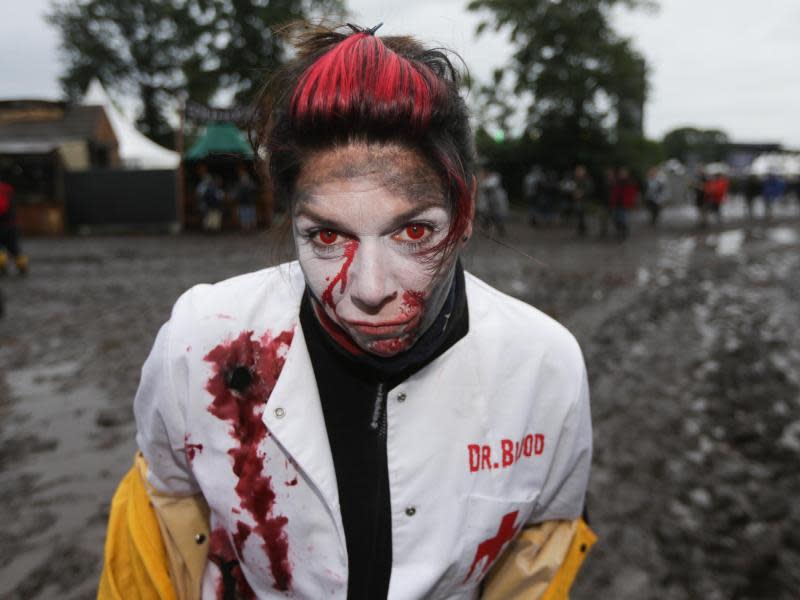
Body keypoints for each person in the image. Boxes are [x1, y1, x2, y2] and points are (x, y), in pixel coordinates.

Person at [99, 24, 594, 600]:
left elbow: (535, 564)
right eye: (327, 236)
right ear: (291, 219)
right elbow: (160, 532)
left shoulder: (545, 367)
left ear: (465, 211)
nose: (369, 288)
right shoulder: (203, 344)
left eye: (414, 230)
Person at [0, 171, 28, 276]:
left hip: (2, 225)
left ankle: (2, 269)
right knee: (15, 249)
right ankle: (23, 267)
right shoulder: (8, 188)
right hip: (12, 224)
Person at [610, 167, 638, 240]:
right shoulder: (616, 182)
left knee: (623, 219)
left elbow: (632, 193)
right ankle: (620, 231)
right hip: (617, 203)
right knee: (616, 219)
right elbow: (614, 192)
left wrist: (631, 202)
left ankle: (623, 232)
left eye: (624, 173)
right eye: (621, 173)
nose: (622, 175)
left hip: (625, 204)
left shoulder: (630, 182)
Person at [196, 164, 223, 232]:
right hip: (210, 203)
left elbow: (201, 193)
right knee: (211, 216)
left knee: (212, 216)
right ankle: (211, 228)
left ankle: (210, 228)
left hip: (209, 203)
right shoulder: (211, 186)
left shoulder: (208, 182)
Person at [568, 165, 594, 236]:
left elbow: (590, 189)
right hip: (575, 200)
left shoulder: (587, 180)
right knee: (578, 214)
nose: (578, 173)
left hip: (585, 201)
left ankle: (583, 228)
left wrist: (582, 193)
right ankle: (581, 228)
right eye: (577, 171)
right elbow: (570, 188)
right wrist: (573, 193)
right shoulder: (574, 180)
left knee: (582, 213)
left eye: (580, 171)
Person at [233, 163, 258, 232]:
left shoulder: (246, 180)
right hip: (245, 201)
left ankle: (248, 228)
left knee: (247, 214)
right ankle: (247, 228)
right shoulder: (243, 180)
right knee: (246, 214)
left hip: (247, 200)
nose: (239, 172)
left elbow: (251, 188)